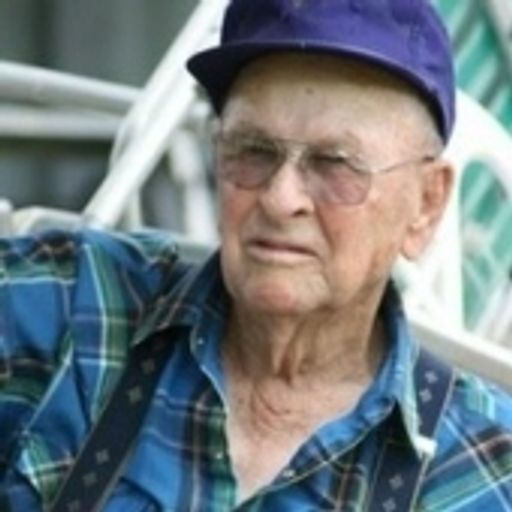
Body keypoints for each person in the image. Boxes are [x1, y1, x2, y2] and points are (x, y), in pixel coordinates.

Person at [1, 0, 512, 510]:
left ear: (426, 204)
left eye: (335, 163)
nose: (280, 198)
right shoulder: (72, 305)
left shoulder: (484, 469)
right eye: (252, 150)